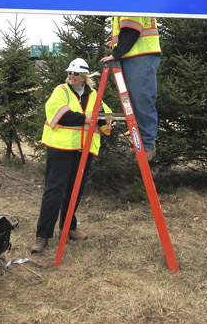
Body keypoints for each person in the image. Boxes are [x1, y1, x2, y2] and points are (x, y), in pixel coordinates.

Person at [31, 58, 111, 253]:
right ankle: (43, 236)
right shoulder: (61, 91)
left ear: (84, 77)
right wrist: (87, 118)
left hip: (83, 150)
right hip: (60, 148)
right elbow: (59, 114)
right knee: (54, 190)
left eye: (75, 74)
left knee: (75, 190)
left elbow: (106, 118)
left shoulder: (94, 96)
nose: (71, 76)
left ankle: (68, 229)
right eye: (69, 73)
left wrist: (101, 120)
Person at [101, 16, 161, 161]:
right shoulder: (126, 2)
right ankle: (140, 144)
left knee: (142, 99)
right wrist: (116, 44)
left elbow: (132, 29)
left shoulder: (131, 0)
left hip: (140, 56)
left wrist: (116, 53)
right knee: (135, 102)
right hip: (135, 56)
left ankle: (147, 144)